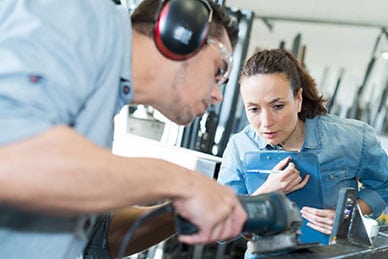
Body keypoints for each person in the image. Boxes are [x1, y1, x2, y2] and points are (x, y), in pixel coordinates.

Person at [0, 0, 248, 258]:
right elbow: (11, 156)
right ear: (180, 33)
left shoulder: (104, 111)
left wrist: (181, 210)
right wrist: (183, 182)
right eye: (220, 70)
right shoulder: (78, 14)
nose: (218, 95)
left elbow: (96, 236)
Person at [217, 48, 388, 257]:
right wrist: (263, 196)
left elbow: (384, 184)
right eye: (253, 109)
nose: (266, 122)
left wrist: (347, 216)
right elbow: (221, 229)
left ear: (298, 99)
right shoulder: (239, 148)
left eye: (278, 106)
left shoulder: (351, 138)